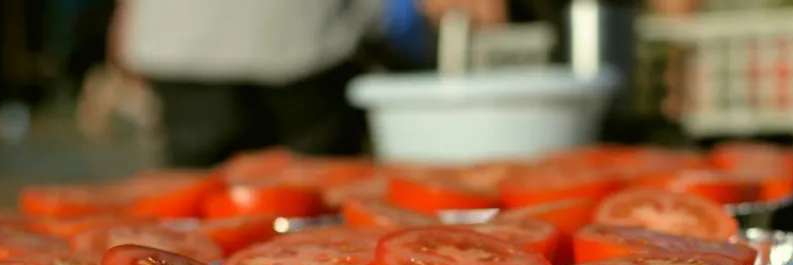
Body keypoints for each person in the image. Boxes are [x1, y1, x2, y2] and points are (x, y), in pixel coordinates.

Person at [107, 0, 508, 168]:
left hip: (183, 41)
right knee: (313, 205)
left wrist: (129, 24)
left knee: (195, 210)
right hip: (298, 44)